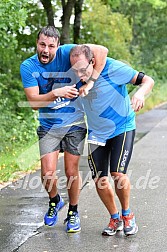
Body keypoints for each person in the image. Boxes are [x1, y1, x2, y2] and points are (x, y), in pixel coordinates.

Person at [20, 26, 108, 233]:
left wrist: (90, 82)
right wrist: (55, 92)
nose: (46, 50)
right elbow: (33, 102)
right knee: (47, 173)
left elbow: (102, 51)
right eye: (42, 45)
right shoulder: (28, 66)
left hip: (74, 123)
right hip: (49, 125)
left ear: (58, 46)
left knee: (71, 171)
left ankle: (73, 211)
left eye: (51, 46)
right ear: (37, 43)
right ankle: (55, 201)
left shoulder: (68, 51)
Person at [70, 45, 154, 236]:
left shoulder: (114, 68)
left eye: (83, 70)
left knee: (117, 173)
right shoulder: (75, 78)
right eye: (76, 71)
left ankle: (127, 215)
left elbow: (148, 80)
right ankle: (114, 218)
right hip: (97, 133)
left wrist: (140, 94)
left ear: (93, 62)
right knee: (100, 179)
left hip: (121, 126)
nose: (80, 75)